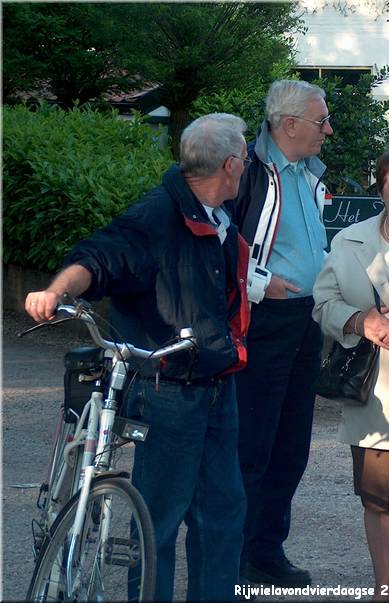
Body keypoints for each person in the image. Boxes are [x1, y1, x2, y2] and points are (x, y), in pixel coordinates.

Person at [24, 113, 251, 601]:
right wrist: (54, 293)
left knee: (222, 517)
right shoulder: (156, 215)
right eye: (246, 157)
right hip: (169, 390)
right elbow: (98, 256)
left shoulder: (216, 216)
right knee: (158, 524)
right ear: (230, 165)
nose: (247, 165)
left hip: (215, 385)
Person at [312, 148, 389, 601]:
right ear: (380, 190)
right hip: (373, 393)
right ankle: (384, 590)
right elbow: (322, 302)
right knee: (378, 498)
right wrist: (360, 321)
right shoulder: (350, 241)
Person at [231, 79, 332, 587]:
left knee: (292, 446)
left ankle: (267, 551)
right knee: (253, 444)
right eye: (321, 121)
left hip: (306, 320)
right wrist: (259, 283)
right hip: (263, 324)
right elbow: (221, 238)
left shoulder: (308, 173)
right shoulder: (247, 171)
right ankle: (239, 558)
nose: (328, 130)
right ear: (289, 124)